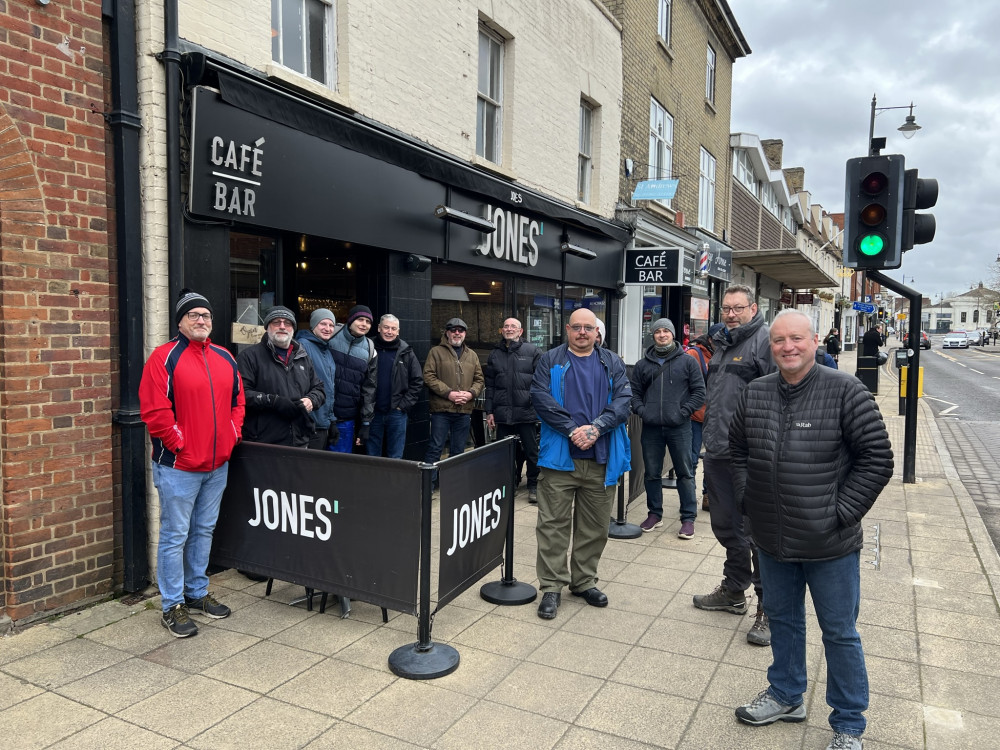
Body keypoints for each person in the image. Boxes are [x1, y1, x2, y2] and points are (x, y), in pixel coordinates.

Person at [730, 310, 893, 750]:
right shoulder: (756, 392)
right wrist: (751, 502)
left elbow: (877, 458)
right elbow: (738, 452)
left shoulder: (845, 390)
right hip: (772, 538)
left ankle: (848, 724)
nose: (788, 347)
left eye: (796, 339)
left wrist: (839, 513)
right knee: (783, 620)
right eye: (779, 340)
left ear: (814, 339)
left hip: (830, 543)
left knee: (839, 632)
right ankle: (786, 694)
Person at [139, 289, 245, 637]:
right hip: (179, 467)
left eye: (206, 316)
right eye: (194, 315)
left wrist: (230, 436)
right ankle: (172, 604)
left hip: (216, 465)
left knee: (203, 530)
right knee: (174, 535)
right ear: (181, 321)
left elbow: (237, 403)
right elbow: (155, 412)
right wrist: (179, 444)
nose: (201, 321)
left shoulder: (224, 357)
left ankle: (196, 592)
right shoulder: (163, 357)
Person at [531, 308, 631, 619]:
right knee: (552, 525)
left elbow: (624, 401)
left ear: (596, 331)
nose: (583, 333)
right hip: (560, 460)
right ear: (568, 329)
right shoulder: (550, 360)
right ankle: (551, 586)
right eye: (577, 327)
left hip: (602, 460)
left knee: (595, 527)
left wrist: (597, 427)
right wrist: (572, 429)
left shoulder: (611, 361)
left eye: (589, 327)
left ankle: (584, 580)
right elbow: (540, 398)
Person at [693, 284, 776, 646]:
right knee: (726, 526)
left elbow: (781, 398)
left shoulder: (766, 343)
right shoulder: (724, 344)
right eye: (725, 308)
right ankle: (734, 590)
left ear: (753, 308)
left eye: (737, 308)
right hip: (718, 452)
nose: (730, 314)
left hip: (751, 456)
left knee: (757, 533)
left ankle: (769, 608)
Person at [630, 318, 705, 538]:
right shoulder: (643, 365)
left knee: (685, 473)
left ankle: (688, 518)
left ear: (673, 334)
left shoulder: (688, 362)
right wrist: (642, 411)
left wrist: (683, 413)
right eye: (658, 332)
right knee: (651, 473)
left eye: (666, 331)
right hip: (651, 428)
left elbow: (699, 392)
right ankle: (654, 514)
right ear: (652, 336)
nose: (662, 335)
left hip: (680, 427)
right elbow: (634, 394)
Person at [238, 305, 325, 447]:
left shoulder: (302, 356)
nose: (282, 326)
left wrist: (311, 400)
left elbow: (319, 388)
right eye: (276, 322)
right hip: (264, 443)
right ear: (267, 327)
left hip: (299, 441)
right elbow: (241, 394)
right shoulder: (249, 357)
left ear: (293, 328)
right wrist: (273, 401)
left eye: (287, 323)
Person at [485, 318, 543, 502]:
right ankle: (509, 483)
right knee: (504, 454)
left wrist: (535, 405)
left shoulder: (533, 352)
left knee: (532, 452)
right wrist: (489, 412)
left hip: (526, 412)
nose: (509, 329)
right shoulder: (495, 354)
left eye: (513, 327)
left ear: (521, 331)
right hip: (503, 414)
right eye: (506, 326)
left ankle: (533, 484)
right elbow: (490, 386)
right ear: (502, 330)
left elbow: (541, 383)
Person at [423, 317, 485, 484]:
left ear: (465, 333)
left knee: (458, 451)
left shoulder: (472, 355)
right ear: (447, 333)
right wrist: (448, 393)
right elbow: (428, 376)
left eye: (461, 330)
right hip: (441, 411)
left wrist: (471, 394)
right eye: (453, 330)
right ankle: (429, 486)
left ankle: (452, 485)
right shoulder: (435, 352)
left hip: (464, 411)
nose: (457, 333)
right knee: (435, 448)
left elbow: (479, 379)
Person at [367, 313, 423, 459]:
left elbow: (417, 381)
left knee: (395, 455)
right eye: (386, 327)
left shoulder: (407, 352)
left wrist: (402, 406)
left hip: (397, 413)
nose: (389, 332)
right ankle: (374, 482)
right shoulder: (368, 347)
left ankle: (393, 482)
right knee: (372, 455)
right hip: (373, 413)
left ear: (398, 331)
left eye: (393, 329)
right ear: (379, 328)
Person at [685, 323, 723, 512]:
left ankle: (709, 497)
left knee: (714, 459)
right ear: (709, 339)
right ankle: (690, 501)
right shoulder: (694, 355)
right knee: (691, 460)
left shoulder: (728, 355)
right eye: (717, 340)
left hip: (718, 417)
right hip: (695, 417)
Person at [329, 305, 377, 453]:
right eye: (360, 319)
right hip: (320, 415)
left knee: (340, 465)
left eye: (368, 322)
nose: (364, 324)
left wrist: (366, 423)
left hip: (345, 419)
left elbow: (369, 388)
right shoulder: (331, 335)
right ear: (350, 320)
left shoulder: (370, 350)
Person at [294, 308, 340, 450]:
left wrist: (331, 420)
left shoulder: (325, 348)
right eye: (323, 324)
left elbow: (329, 387)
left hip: (322, 421)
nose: (327, 328)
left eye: (331, 325)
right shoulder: (303, 346)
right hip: (310, 422)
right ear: (313, 326)